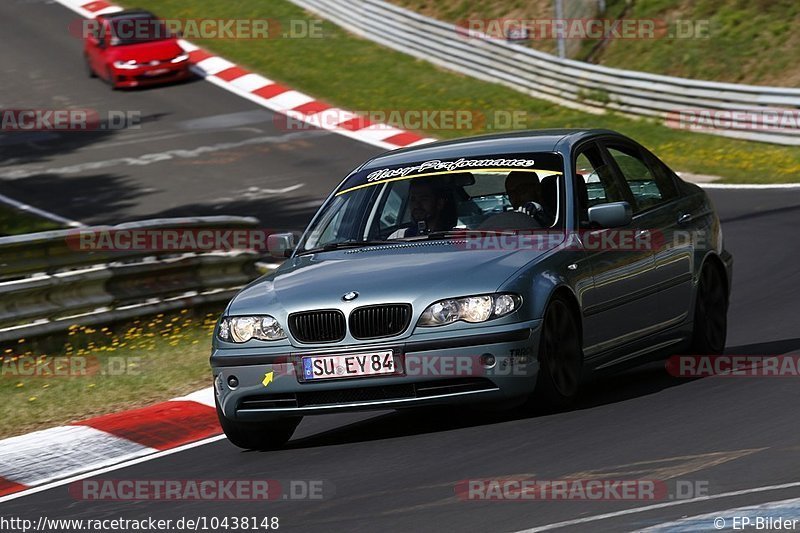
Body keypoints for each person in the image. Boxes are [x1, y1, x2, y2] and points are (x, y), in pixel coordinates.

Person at [389, 178, 456, 238]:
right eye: (413, 199)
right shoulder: (398, 237)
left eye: (423, 199)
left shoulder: (457, 239)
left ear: (439, 203)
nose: (417, 205)